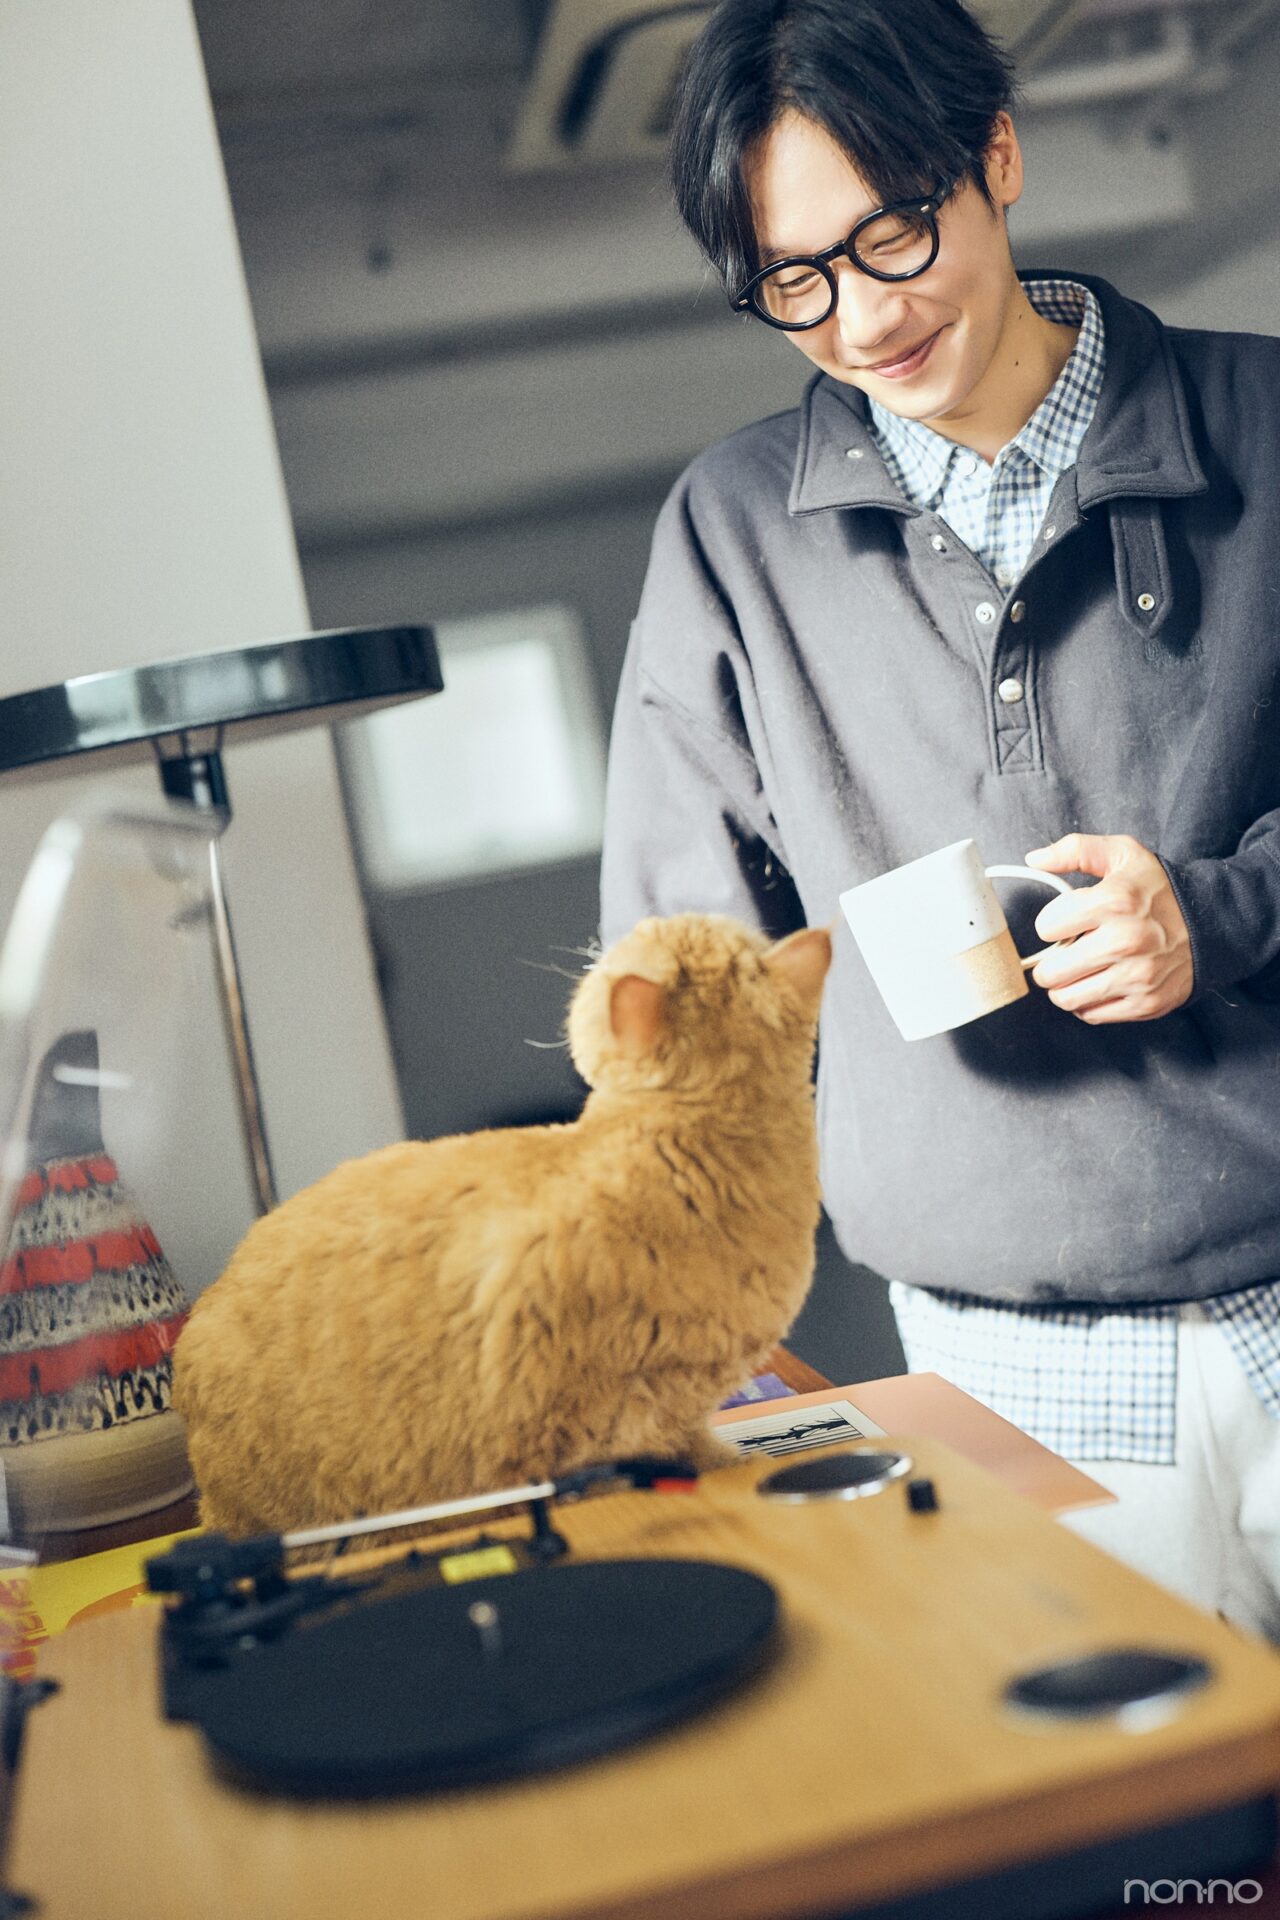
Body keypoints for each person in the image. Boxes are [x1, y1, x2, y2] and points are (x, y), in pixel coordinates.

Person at [598, 0, 1280, 1640]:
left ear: (998, 155)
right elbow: (676, 989)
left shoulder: (1264, 425)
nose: (862, 318)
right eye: (795, 280)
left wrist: (1226, 910)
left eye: (891, 237)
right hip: (1001, 1358)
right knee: (1142, 1868)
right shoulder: (733, 535)